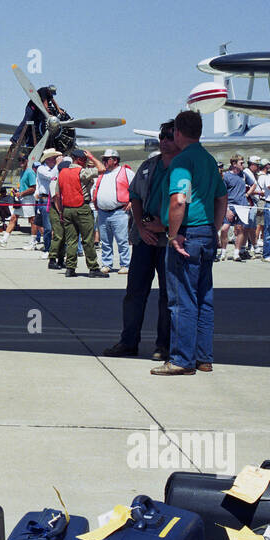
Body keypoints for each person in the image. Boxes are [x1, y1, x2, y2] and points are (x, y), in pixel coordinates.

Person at [154, 109, 226, 375]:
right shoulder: (208, 160)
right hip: (206, 232)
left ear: (178, 132)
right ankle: (203, 357)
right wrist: (214, 228)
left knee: (182, 299)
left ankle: (182, 359)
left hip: (188, 233)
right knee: (204, 297)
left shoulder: (182, 161)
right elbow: (221, 197)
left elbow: (179, 200)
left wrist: (173, 234)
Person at [104, 121, 176, 360]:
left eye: (169, 136)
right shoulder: (148, 166)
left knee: (168, 295)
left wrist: (164, 227)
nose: (164, 141)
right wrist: (141, 226)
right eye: (161, 136)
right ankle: (128, 342)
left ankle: (163, 346)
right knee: (134, 292)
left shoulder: (183, 168)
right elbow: (134, 197)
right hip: (145, 237)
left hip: (169, 241)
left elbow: (185, 205)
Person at [55, 151, 101, 277]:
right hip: (82, 208)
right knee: (87, 240)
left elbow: (58, 195)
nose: (85, 161)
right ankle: (93, 268)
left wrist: (60, 212)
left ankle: (70, 268)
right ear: (79, 159)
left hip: (67, 209)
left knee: (71, 241)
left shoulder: (62, 173)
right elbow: (102, 169)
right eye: (84, 159)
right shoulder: (82, 172)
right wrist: (92, 156)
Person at [93, 149, 134, 275]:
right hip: (103, 212)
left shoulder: (126, 172)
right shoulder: (102, 174)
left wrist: (131, 202)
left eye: (107, 159)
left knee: (122, 240)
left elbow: (136, 188)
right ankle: (107, 264)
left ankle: (125, 264)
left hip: (119, 212)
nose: (104, 162)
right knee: (105, 241)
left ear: (115, 160)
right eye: (103, 160)